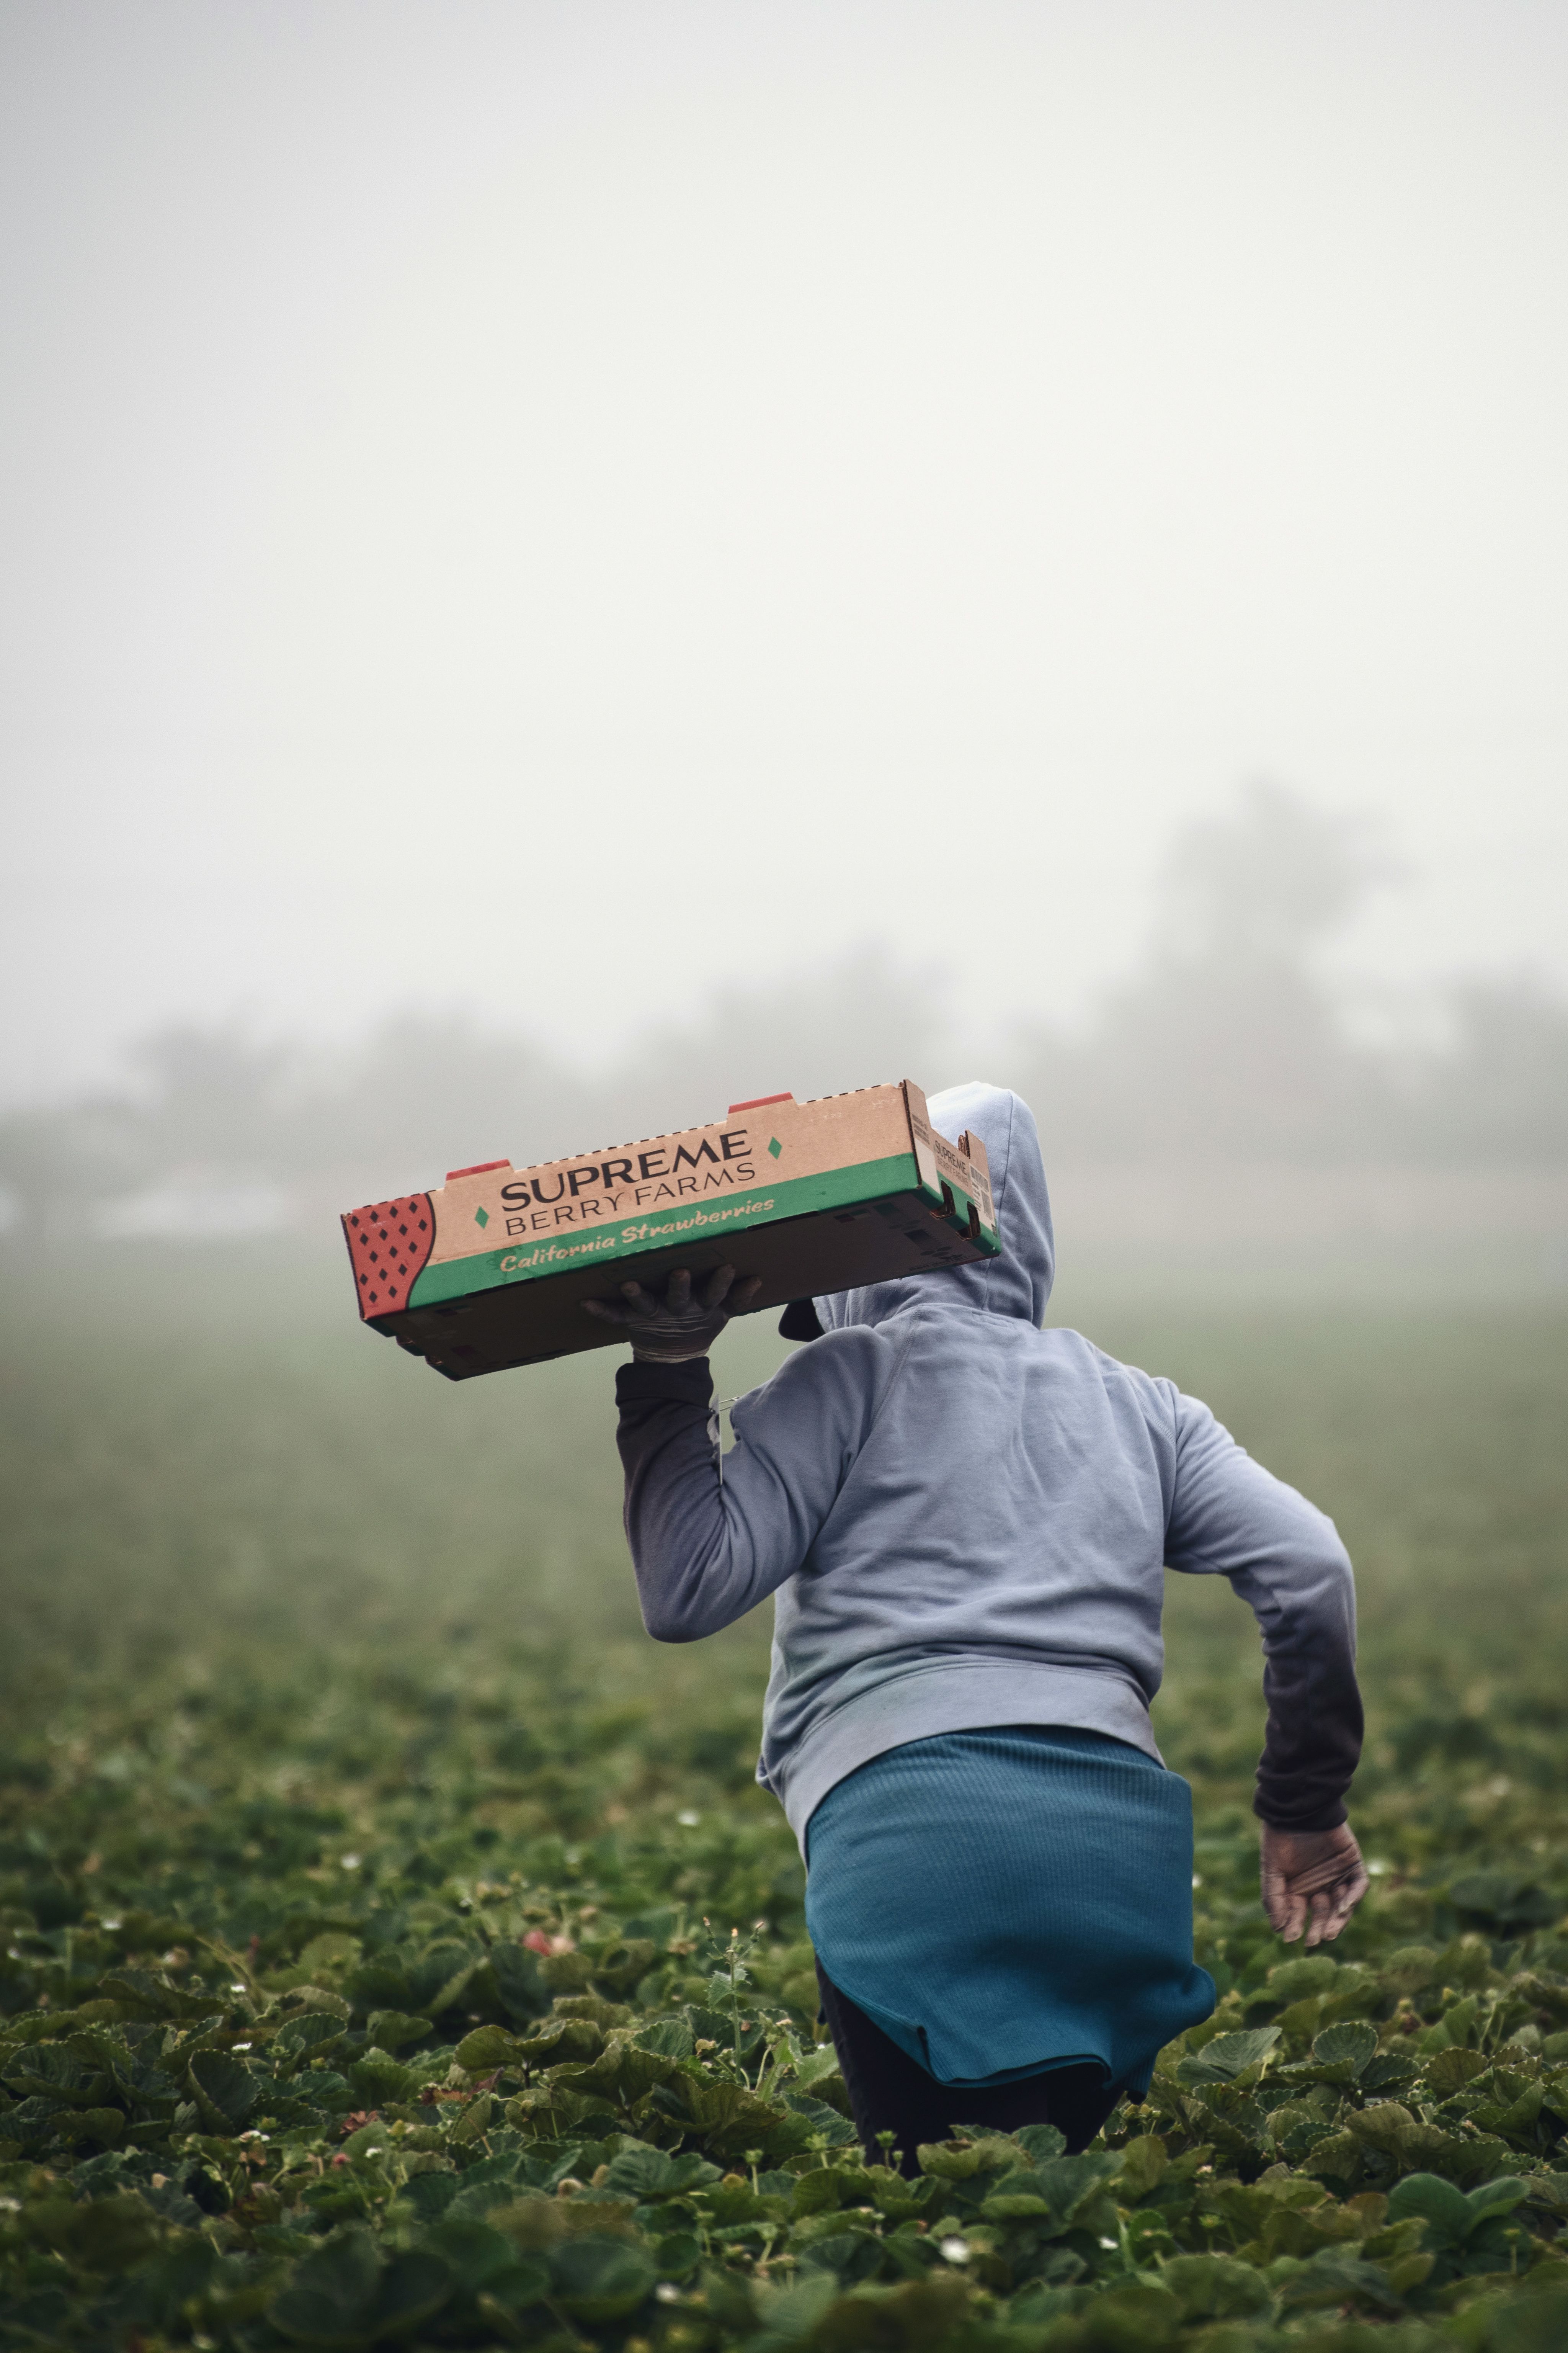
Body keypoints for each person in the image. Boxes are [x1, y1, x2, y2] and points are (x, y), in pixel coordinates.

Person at [584, 1082, 1367, 2169]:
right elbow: (1312, 1566)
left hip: (907, 1853)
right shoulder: (1148, 1407)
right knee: (1060, 2219)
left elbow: (687, 1589)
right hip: (1121, 1869)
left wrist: (667, 1373)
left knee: (923, 2214)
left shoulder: (846, 1375)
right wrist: (1302, 1802)